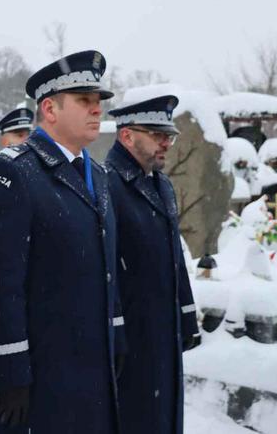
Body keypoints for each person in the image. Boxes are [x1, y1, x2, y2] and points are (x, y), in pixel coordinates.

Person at [0, 50, 126, 433]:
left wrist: (117, 333)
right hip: (44, 372)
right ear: (50, 110)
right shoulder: (12, 172)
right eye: (84, 101)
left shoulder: (99, 177)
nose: (96, 110)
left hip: (92, 364)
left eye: (98, 102)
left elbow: (107, 267)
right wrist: (8, 371)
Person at [105, 95, 200, 434]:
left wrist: (186, 315)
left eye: (169, 136)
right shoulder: (108, 184)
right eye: (158, 134)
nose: (166, 143)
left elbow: (173, 256)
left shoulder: (161, 183)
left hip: (164, 333)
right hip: (133, 337)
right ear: (127, 135)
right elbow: (107, 272)